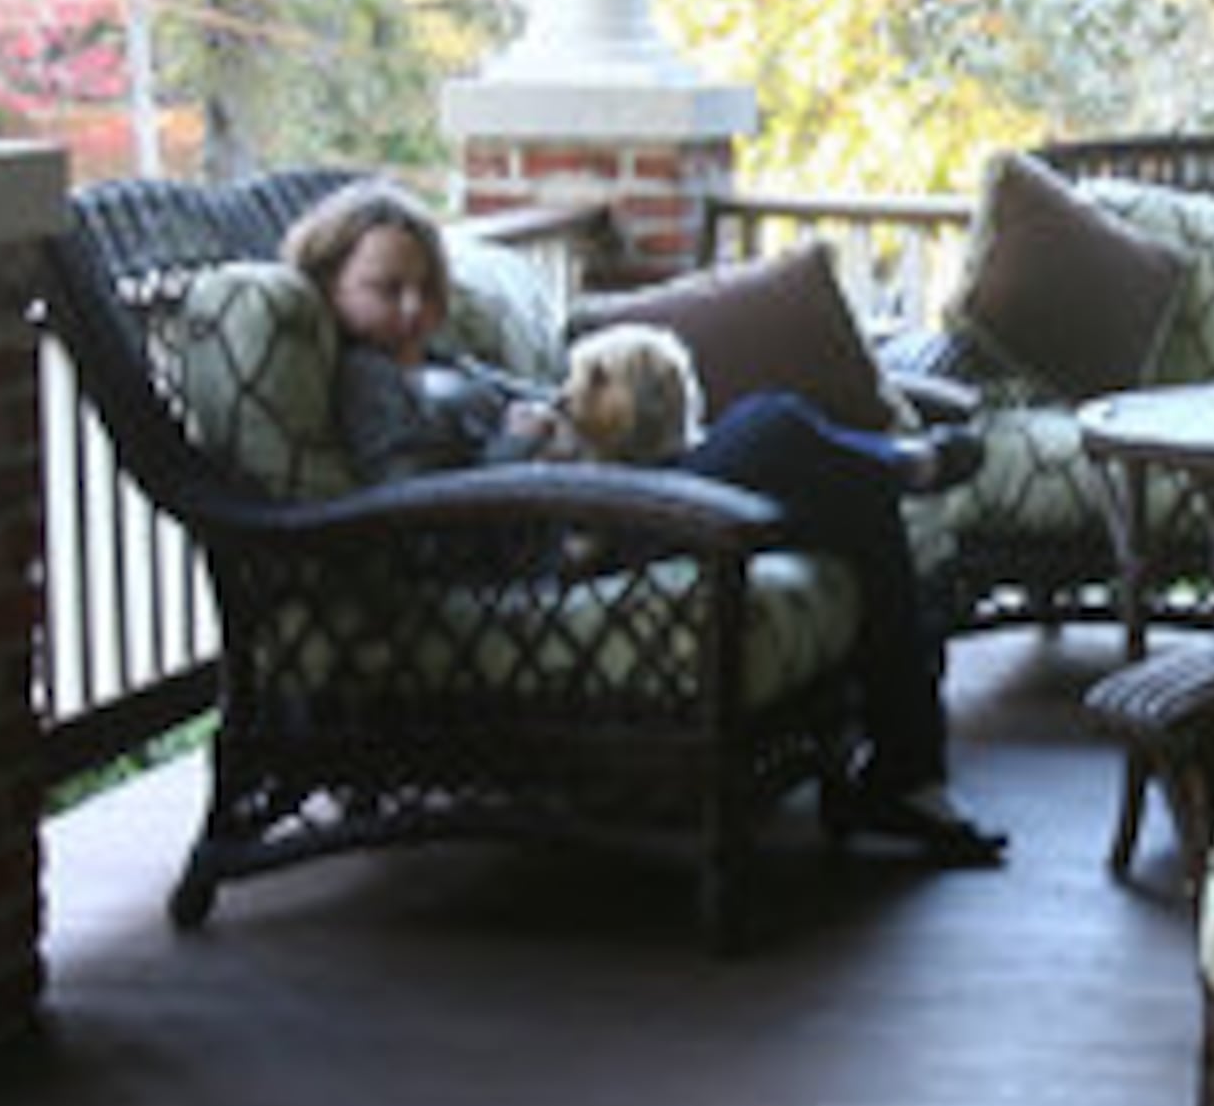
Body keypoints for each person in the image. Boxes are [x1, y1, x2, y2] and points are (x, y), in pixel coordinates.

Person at [280, 180, 1004, 868]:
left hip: (590, 506)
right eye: (385, 290)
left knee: (843, 494)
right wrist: (521, 443)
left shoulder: (426, 358)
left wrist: (545, 422)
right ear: (330, 285)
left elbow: (534, 405)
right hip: (557, 548)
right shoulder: (367, 379)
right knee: (772, 426)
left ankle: (908, 774)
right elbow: (414, 512)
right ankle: (905, 473)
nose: (412, 308)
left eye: (424, 288)